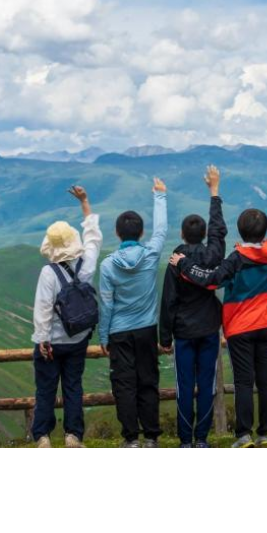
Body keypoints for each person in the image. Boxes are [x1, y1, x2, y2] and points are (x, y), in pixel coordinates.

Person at [171, 170, 267, 449]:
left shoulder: (235, 259)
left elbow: (208, 281)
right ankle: (266, 434)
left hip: (240, 329)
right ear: (263, 232)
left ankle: (243, 436)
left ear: (241, 231)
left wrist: (182, 264)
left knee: (244, 383)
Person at [160, 166, 227, 449]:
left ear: (182, 234)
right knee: (207, 384)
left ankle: (186, 440)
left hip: (184, 332)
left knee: (185, 386)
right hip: (210, 328)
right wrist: (214, 192)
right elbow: (219, 231)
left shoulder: (177, 260)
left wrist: (164, 337)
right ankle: (202, 438)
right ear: (203, 235)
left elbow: (168, 300)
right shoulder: (213, 255)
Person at [32, 186, 103, 449]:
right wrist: (85, 202)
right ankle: (73, 435)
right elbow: (93, 236)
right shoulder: (87, 262)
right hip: (78, 338)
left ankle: (43, 436)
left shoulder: (48, 274)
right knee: (73, 386)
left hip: (52, 342)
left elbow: (43, 310)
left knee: (46, 389)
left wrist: (42, 339)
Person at [100, 178, 168, 449]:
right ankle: (151, 437)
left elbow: (106, 304)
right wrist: (159, 195)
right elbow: (161, 230)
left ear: (118, 234)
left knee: (124, 385)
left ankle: (131, 439)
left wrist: (103, 335)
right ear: (141, 234)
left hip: (118, 332)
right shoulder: (150, 255)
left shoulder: (107, 266)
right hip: (146, 329)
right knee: (148, 381)